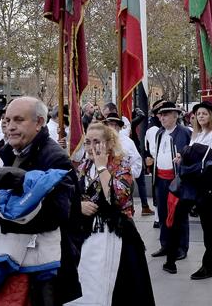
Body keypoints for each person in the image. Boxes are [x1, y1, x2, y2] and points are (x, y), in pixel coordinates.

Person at [0, 97, 83, 305]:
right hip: (10, 261)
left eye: (18, 120)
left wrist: (1, 216)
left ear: (39, 122)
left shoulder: (55, 158)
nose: (10, 127)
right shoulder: (6, 152)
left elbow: (55, 214)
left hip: (43, 271)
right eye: (7, 120)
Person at [68, 123, 155, 305]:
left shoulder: (120, 164)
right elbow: (71, 195)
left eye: (97, 142)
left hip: (116, 234)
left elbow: (118, 199)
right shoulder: (83, 166)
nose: (92, 148)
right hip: (87, 235)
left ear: (109, 143)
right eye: (88, 143)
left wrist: (101, 168)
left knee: (119, 287)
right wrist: (80, 205)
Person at [163, 101, 212, 279]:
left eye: (204, 113)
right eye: (198, 114)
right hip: (190, 184)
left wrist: (195, 152)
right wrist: (184, 153)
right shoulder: (197, 134)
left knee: (207, 225)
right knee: (178, 221)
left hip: (202, 186)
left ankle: (208, 267)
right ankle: (170, 261)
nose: (201, 116)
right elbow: (193, 154)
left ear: (211, 116)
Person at [150, 101, 191, 259]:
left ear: (175, 116)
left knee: (179, 215)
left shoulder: (184, 132)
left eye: (165, 115)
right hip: (161, 179)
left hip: (177, 180)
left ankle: (181, 248)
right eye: (160, 115)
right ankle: (165, 245)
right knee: (162, 212)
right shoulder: (160, 133)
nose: (162, 118)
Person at [105, 113, 154, 215]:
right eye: (110, 124)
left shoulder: (128, 142)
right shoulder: (100, 141)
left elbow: (137, 160)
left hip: (122, 184)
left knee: (124, 214)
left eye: (116, 125)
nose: (113, 127)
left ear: (119, 127)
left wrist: (130, 175)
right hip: (104, 181)